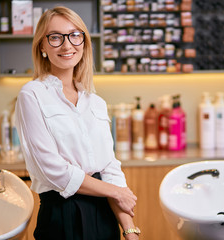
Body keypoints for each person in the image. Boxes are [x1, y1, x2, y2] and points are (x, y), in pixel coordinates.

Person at [15, 6, 140, 240]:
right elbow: (54, 171)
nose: (67, 45)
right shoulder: (32, 95)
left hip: (105, 217)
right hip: (61, 218)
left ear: (84, 42)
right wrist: (115, 191)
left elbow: (109, 169)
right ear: (42, 46)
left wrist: (130, 230)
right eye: (55, 37)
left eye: (74, 35)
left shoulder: (96, 102)